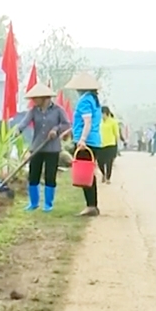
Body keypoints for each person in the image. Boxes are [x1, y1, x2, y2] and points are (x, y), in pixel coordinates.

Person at [11, 83, 70, 212]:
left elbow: (66, 124)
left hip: (52, 148)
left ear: (45, 98)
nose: (33, 101)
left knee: (50, 175)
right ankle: (33, 203)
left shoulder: (58, 110)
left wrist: (56, 130)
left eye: (35, 98)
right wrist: (18, 130)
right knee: (33, 175)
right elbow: (24, 122)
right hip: (37, 147)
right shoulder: (33, 111)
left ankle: (48, 204)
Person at [64, 72, 104, 217]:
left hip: (86, 142)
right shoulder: (94, 100)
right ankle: (92, 205)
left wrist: (82, 139)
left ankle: (91, 205)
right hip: (95, 141)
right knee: (88, 174)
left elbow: (87, 122)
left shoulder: (84, 101)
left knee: (85, 175)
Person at [97, 106, 120, 184]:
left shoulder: (113, 122)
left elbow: (116, 134)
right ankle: (103, 173)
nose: (101, 115)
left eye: (102, 114)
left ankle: (108, 177)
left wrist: (117, 144)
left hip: (110, 144)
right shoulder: (99, 122)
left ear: (106, 113)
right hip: (100, 145)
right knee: (100, 161)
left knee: (109, 162)